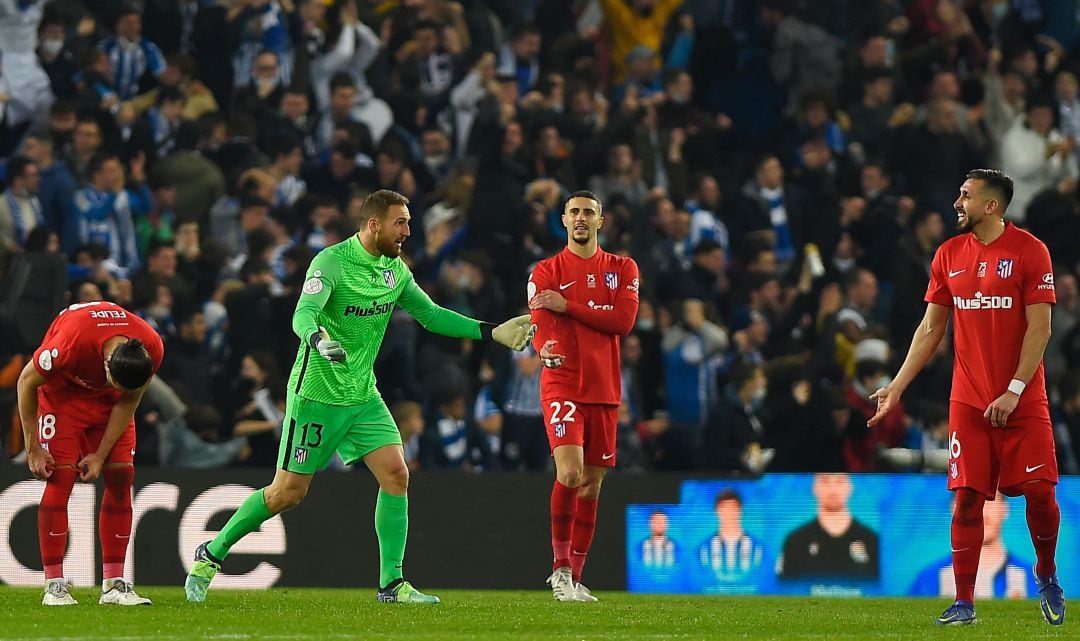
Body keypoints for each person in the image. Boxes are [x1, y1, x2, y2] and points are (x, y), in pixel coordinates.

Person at [184, 189, 535, 604]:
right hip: (316, 395)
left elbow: (431, 315)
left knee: (396, 474)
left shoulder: (395, 271)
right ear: (374, 225)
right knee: (287, 494)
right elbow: (304, 314)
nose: (407, 231)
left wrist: (489, 330)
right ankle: (211, 553)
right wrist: (317, 339)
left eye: (407, 222)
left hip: (362, 395)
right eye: (399, 223)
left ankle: (391, 583)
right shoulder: (331, 262)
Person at [869, 169, 1065, 626]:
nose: (957, 203)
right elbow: (930, 328)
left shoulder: (1030, 252)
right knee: (968, 498)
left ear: (992, 206)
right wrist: (897, 387)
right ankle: (964, 602)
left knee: (1039, 491)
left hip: (1022, 398)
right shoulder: (948, 254)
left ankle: (1047, 572)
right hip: (969, 401)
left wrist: (1014, 391)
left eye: (966, 196)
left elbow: (1041, 329)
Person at [528, 190, 641, 602]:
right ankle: (559, 570)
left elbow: (623, 322)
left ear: (600, 221)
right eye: (574, 211)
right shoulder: (545, 270)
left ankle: (575, 578)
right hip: (563, 381)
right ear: (563, 219)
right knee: (571, 472)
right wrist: (543, 346)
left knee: (592, 485)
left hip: (604, 387)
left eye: (588, 212)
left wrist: (569, 305)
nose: (580, 217)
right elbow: (540, 317)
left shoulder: (623, 268)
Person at [16, 300, 164, 606]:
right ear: (107, 364)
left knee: (122, 477)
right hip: (62, 398)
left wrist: (100, 454)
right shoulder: (70, 344)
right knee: (61, 479)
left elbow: (127, 400)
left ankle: (114, 584)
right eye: (116, 382)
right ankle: (54, 585)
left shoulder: (151, 348)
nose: (122, 388)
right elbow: (26, 381)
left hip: (108, 405)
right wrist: (32, 447)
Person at [909, 493, 1038, 599]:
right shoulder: (929, 580)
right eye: (970, 501)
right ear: (954, 508)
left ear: (1004, 508)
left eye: (989, 499)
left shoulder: (1034, 580)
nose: (980, 511)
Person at [777, 473, 879, 580]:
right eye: (825, 481)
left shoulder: (872, 540)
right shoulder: (796, 541)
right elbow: (783, 588)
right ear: (814, 487)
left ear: (850, 487)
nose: (832, 489)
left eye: (840, 481)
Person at [699, 489, 764, 582]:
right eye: (724, 508)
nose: (728, 513)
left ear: (740, 511)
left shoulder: (757, 547)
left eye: (733, 508)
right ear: (716, 511)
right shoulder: (704, 548)